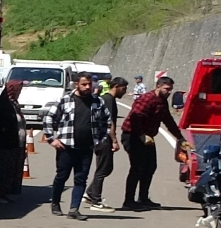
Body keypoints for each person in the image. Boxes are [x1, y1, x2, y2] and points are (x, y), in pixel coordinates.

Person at [43, 72, 105, 219]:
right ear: (76, 84)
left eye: (90, 84)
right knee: (61, 177)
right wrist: (52, 139)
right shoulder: (65, 100)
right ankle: (56, 203)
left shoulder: (97, 102)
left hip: (86, 148)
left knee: (81, 178)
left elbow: (106, 121)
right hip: (66, 147)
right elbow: (48, 118)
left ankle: (74, 209)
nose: (87, 87)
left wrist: (99, 140)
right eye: (84, 84)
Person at [119, 75, 187, 209]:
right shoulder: (147, 99)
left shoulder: (162, 101)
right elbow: (135, 117)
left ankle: (143, 198)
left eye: (170, 90)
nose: (168, 92)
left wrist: (180, 138)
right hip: (133, 135)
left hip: (148, 137)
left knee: (150, 167)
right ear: (158, 87)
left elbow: (168, 120)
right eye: (166, 89)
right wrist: (141, 135)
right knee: (137, 168)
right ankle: (129, 201)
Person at [84, 77, 129, 210]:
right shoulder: (108, 100)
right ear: (116, 86)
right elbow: (110, 122)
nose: (125, 92)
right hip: (103, 138)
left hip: (101, 138)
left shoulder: (108, 99)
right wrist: (114, 140)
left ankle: (90, 193)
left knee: (106, 168)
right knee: (102, 169)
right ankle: (96, 200)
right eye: (124, 88)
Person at [0, 78, 26, 200]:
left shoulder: (14, 104)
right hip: (4, 143)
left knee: (11, 170)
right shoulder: (2, 105)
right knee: (3, 169)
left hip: (15, 143)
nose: (19, 92)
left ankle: (6, 191)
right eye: (18, 90)